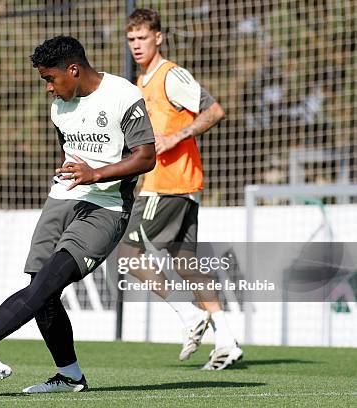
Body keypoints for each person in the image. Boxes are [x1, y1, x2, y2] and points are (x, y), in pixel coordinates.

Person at [0, 35, 156, 392]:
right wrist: (79, 176)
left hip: (106, 206)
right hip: (61, 199)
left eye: (51, 78)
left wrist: (96, 174)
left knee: (49, 280)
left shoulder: (123, 95)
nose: (48, 87)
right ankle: (70, 376)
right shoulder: (58, 108)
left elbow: (146, 157)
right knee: (40, 286)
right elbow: (69, 154)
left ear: (73, 70)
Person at [119, 9, 243, 370]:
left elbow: (214, 111)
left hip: (167, 185)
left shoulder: (170, 76)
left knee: (127, 253)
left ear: (158, 37)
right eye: (131, 39)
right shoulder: (141, 82)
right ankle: (227, 340)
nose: (136, 45)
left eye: (142, 37)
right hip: (180, 185)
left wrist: (175, 137)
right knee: (187, 266)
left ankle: (189, 315)